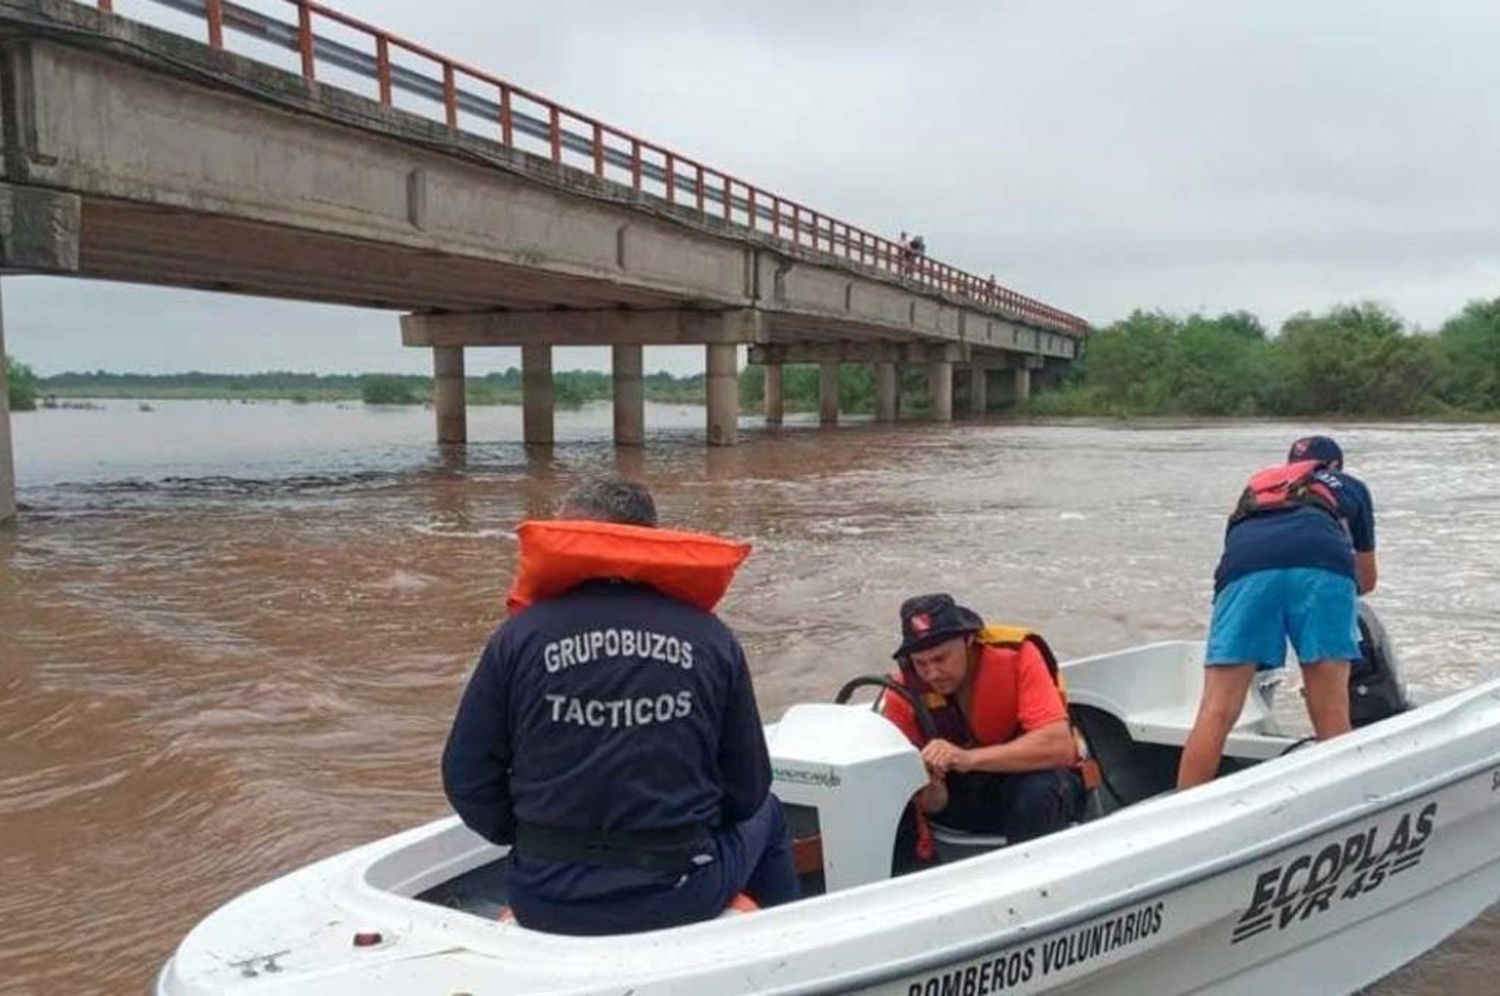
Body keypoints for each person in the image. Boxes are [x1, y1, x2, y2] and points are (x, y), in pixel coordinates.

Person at [442, 475, 798, 934]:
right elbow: (748, 786)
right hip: (680, 891)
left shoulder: (518, 638)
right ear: (649, 538)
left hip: (542, 895)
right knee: (768, 811)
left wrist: (531, 841)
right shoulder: (711, 638)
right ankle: (784, 950)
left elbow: (466, 778)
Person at [1178, 435, 1378, 789]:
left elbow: (1238, 545)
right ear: (1333, 467)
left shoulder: (1257, 487)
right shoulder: (1350, 486)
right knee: (1331, 711)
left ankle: (1181, 810)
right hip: (1321, 564)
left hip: (1244, 570)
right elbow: (1367, 578)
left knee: (1217, 709)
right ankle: (1348, 800)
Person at [878, 594, 1084, 864]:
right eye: (921, 663)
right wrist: (933, 783)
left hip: (1029, 783)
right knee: (890, 803)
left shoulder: (1017, 655)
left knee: (1038, 791)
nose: (932, 674)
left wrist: (966, 758)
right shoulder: (903, 693)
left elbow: (1060, 748)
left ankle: (1029, 886)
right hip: (963, 800)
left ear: (968, 640)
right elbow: (931, 804)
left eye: (941, 659)